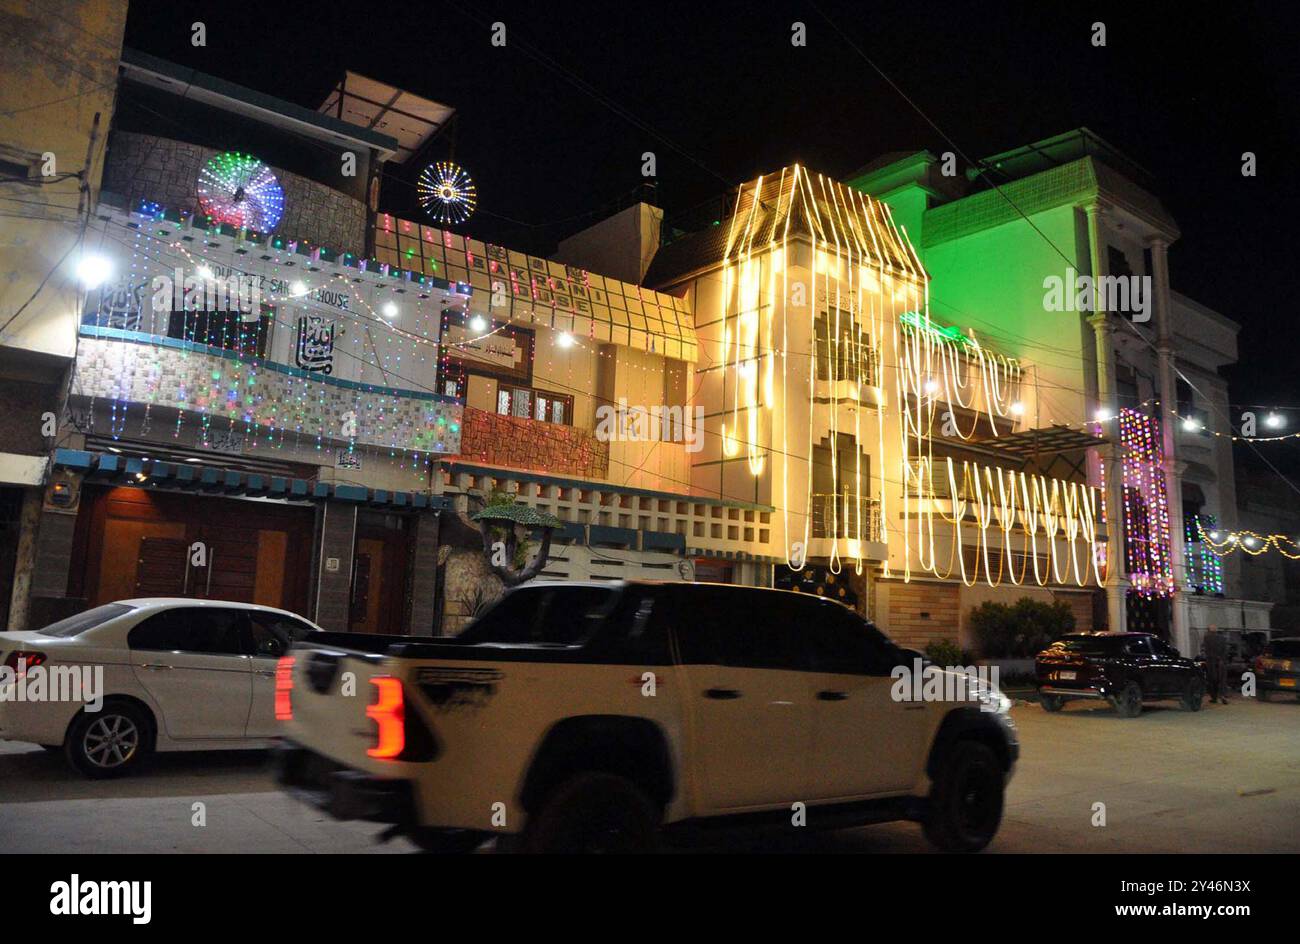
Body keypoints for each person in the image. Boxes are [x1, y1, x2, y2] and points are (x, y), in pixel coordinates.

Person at [1202, 624, 1229, 704]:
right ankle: (1223, 695)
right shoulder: (1223, 638)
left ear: (1209, 630)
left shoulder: (1207, 638)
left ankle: (1214, 697)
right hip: (1221, 661)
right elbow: (1225, 651)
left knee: (1212, 680)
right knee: (1222, 679)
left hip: (1211, 661)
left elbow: (1206, 650)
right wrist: (1222, 659)